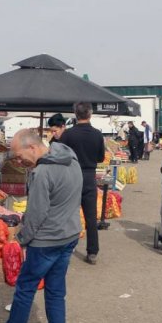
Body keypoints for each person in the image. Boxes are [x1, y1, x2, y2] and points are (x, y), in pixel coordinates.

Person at [0, 130, 82, 323]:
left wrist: (20, 240)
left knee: (25, 289)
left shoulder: (42, 172)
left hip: (46, 241)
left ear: (32, 147)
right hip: (69, 235)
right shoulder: (71, 158)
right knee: (56, 291)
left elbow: (37, 214)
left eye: (19, 156)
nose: (19, 162)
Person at [58, 102, 106, 264]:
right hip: (89, 177)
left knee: (67, 213)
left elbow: (59, 155)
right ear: (90, 114)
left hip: (71, 176)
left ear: (75, 114)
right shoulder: (97, 134)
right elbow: (100, 158)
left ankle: (65, 246)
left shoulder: (68, 134)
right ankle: (92, 252)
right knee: (90, 217)